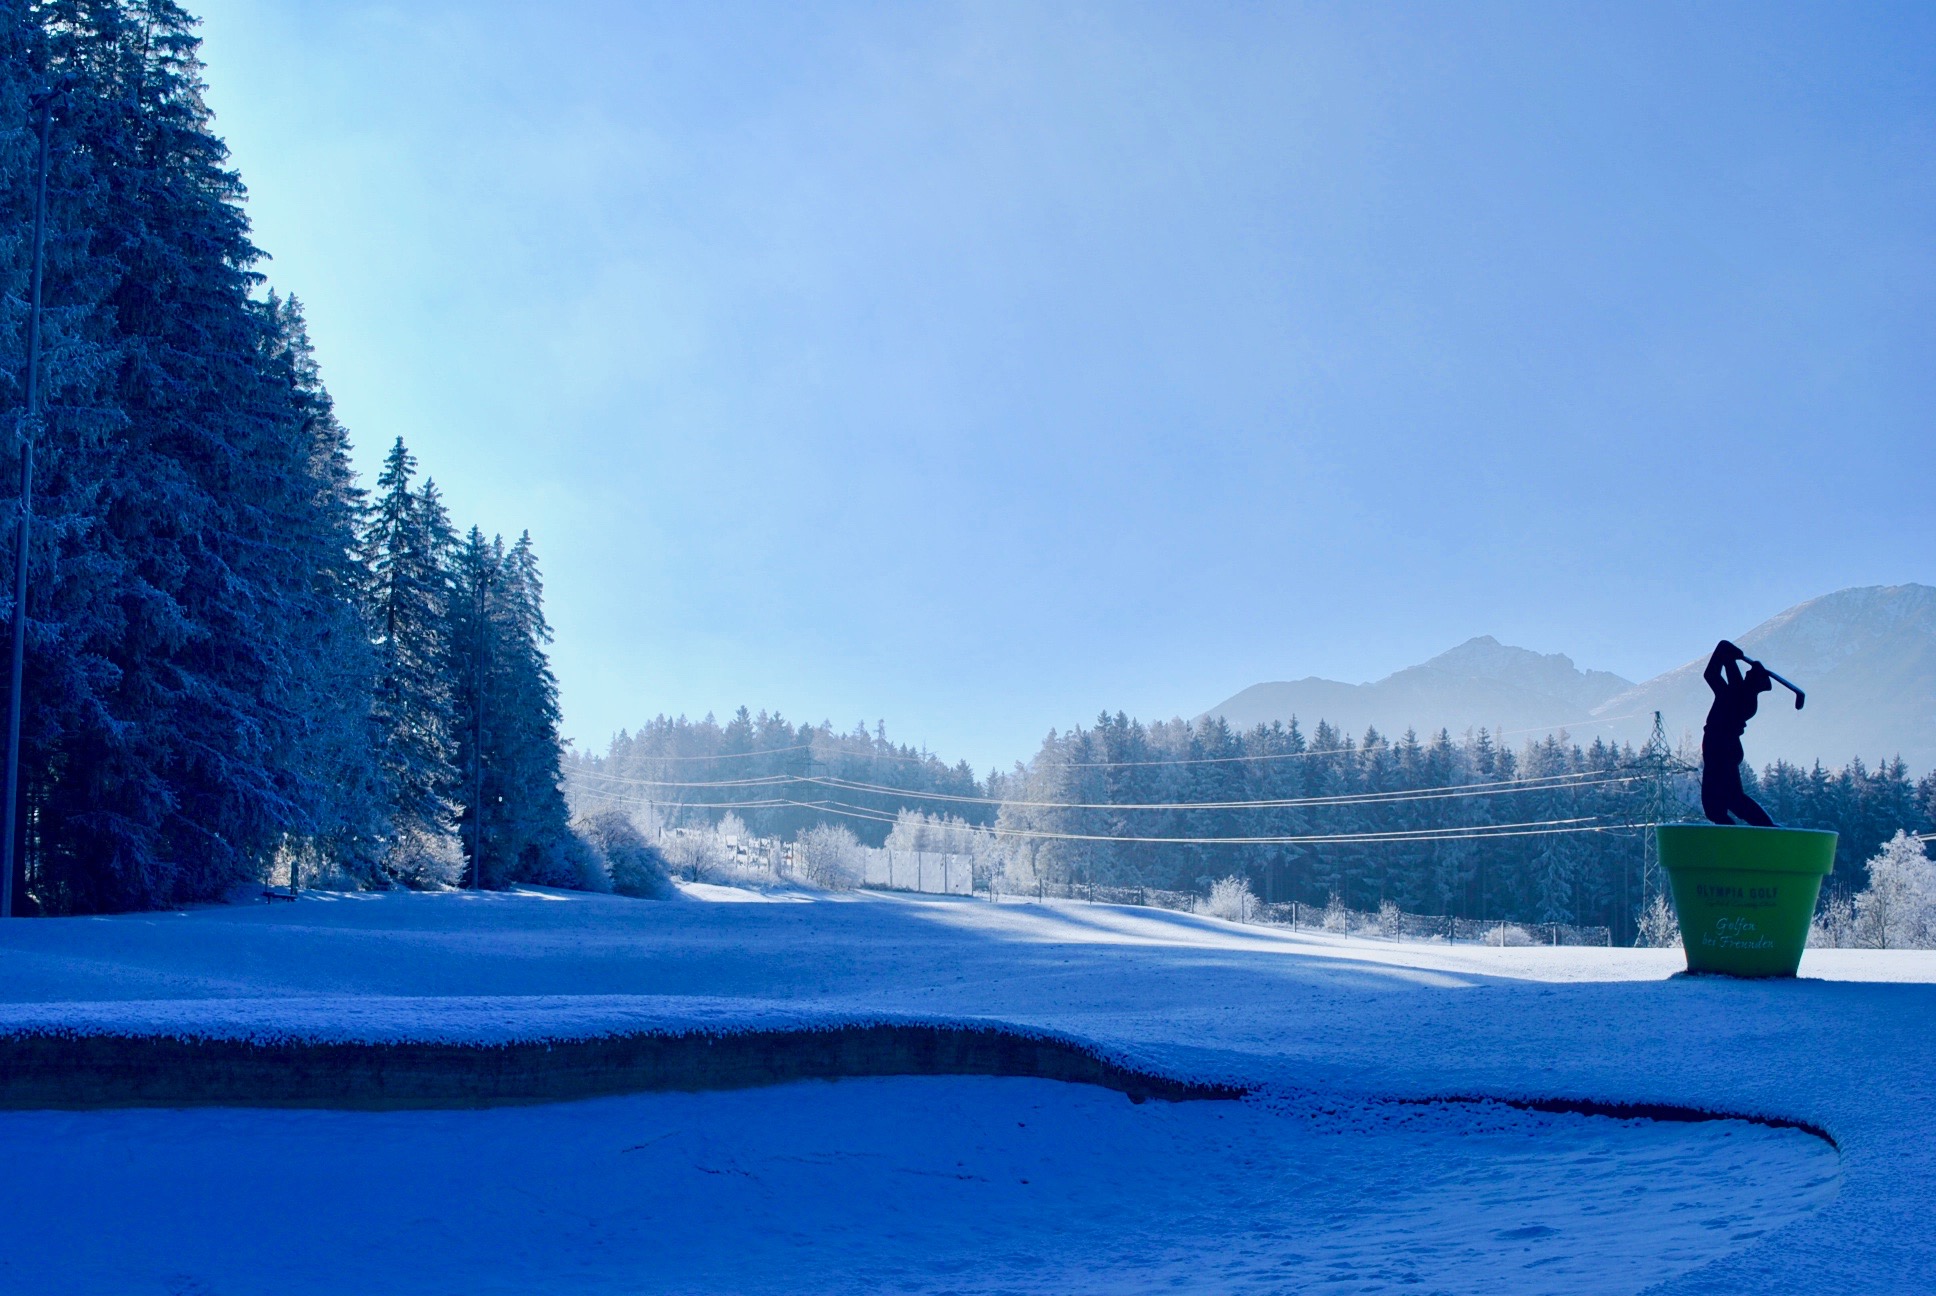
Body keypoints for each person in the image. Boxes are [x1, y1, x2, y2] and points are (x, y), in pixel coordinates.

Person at [1701, 639, 1775, 827]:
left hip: (1722, 748)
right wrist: (1723, 652)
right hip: (1718, 747)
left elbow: (1721, 675)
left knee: (1730, 799)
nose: (1746, 673)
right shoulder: (1738, 694)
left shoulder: (1742, 697)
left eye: (1750, 673)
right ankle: (1753, 829)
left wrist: (1726, 653)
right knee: (1716, 806)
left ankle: (1766, 827)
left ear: (1754, 681)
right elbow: (1711, 675)